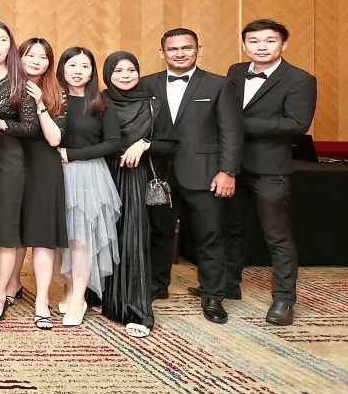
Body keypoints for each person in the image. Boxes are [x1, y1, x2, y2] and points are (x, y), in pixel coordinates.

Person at [142, 28, 241, 325]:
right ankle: (157, 285)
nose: (180, 53)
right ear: (162, 53)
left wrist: (228, 171)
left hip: (205, 173)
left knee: (208, 236)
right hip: (157, 173)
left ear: (199, 49)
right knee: (158, 234)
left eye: (187, 48)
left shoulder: (220, 85)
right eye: (173, 49)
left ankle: (213, 294)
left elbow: (232, 131)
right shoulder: (146, 84)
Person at [223, 19, 316, 326]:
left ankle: (284, 300)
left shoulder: (301, 79)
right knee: (234, 229)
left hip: (270, 169)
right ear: (244, 44)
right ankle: (229, 284)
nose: (261, 47)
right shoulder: (237, 71)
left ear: (283, 44)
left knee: (277, 236)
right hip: (233, 166)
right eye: (254, 41)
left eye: (269, 41)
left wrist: (238, 124)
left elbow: (296, 125)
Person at [99, 52, 177, 338]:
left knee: (132, 238)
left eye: (131, 70)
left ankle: (137, 310)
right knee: (102, 238)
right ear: (108, 73)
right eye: (118, 71)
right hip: (101, 173)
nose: (125, 75)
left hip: (134, 176)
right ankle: (104, 298)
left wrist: (144, 144)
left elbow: (170, 144)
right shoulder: (99, 101)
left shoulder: (152, 103)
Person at [0, 21, 39, 320]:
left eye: (3, 40)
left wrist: (3, 124)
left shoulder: (19, 81)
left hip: (8, 161)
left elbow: (30, 126)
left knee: (4, 229)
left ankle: (0, 292)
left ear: (10, 46)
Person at [56, 46, 121, 326]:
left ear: (92, 72)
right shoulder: (54, 99)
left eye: (84, 66)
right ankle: (70, 289)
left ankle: (79, 297)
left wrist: (73, 155)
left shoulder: (100, 101)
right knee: (66, 239)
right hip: (57, 174)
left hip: (88, 174)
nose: (78, 71)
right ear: (62, 68)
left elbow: (113, 143)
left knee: (83, 239)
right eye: (72, 65)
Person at [10, 37, 69, 330]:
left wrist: (40, 103)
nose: (36, 61)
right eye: (30, 55)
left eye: (43, 57)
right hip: (12, 164)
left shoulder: (57, 92)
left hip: (44, 167)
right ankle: (11, 285)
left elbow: (55, 138)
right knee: (14, 231)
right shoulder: (6, 87)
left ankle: (42, 301)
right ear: (18, 57)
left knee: (42, 236)